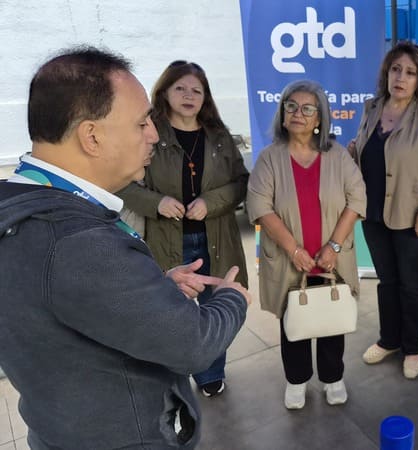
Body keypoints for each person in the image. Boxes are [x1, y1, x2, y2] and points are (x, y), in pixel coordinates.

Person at [0, 46, 251, 449]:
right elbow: (193, 343)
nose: (153, 134)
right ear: (92, 136)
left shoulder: (21, 202)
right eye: (141, 123)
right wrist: (231, 298)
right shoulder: (77, 242)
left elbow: (77, 303)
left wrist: (154, 288)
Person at [117, 60, 249, 397]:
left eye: (196, 91)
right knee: (169, 313)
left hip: (214, 239)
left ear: (206, 97)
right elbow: (121, 182)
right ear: (164, 92)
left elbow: (241, 183)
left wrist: (211, 201)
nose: (189, 96)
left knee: (214, 309)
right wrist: (156, 202)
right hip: (165, 240)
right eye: (180, 88)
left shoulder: (219, 136)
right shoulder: (149, 133)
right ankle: (170, 380)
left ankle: (211, 374)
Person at [247, 80, 365, 410]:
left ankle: (333, 378)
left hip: (331, 259)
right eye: (291, 106)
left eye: (307, 109)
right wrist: (293, 250)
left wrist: (334, 246)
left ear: (319, 118)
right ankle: (296, 381)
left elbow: (357, 199)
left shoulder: (338, 155)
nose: (298, 113)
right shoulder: (269, 158)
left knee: (331, 320)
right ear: (282, 113)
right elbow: (259, 206)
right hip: (289, 260)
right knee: (293, 323)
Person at [349, 41, 418, 379]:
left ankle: (413, 347)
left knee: (411, 284)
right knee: (387, 282)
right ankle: (389, 340)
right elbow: (366, 154)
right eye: (396, 69)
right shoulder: (372, 108)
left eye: (410, 72)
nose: (401, 78)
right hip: (374, 213)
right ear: (387, 73)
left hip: (414, 217)